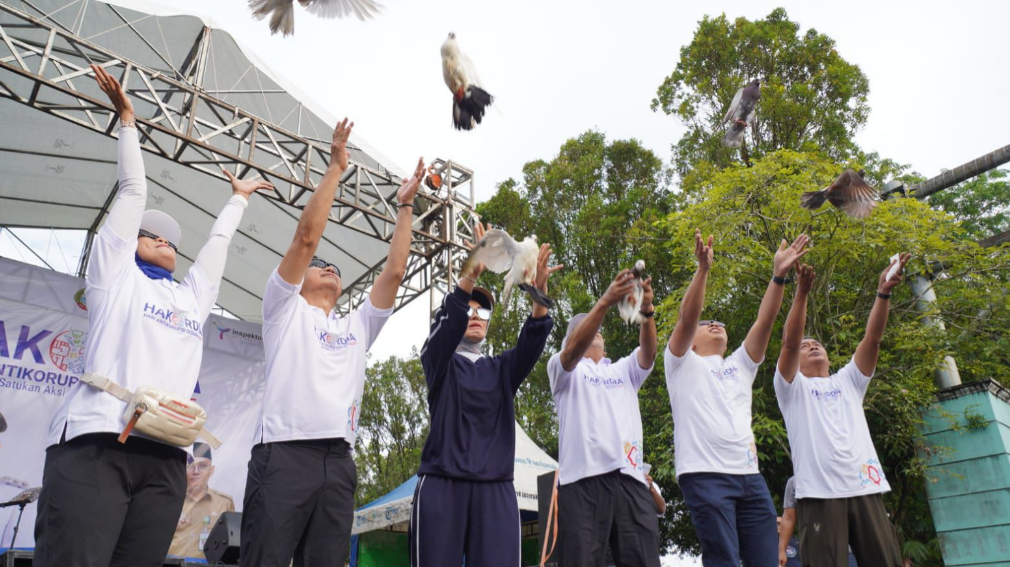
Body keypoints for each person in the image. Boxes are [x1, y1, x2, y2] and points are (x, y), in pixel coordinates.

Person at [33, 64, 265, 567]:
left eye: (171, 240)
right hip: (98, 442)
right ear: (130, 242)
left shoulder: (192, 298)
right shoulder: (113, 277)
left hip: (164, 457)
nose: (164, 240)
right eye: (151, 234)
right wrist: (129, 123)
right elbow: (134, 192)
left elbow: (218, 247)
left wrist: (237, 201)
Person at [239, 116, 425, 567]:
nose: (329, 267)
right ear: (300, 280)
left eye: (336, 268)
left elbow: (395, 273)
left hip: (339, 462)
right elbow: (306, 238)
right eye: (320, 265)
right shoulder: (283, 309)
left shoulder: (356, 326)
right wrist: (336, 168)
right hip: (283, 454)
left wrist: (404, 207)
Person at [408, 222, 558, 567]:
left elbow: (532, 340)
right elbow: (445, 328)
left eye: (484, 310)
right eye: (470, 308)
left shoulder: (500, 368)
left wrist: (538, 295)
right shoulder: (438, 359)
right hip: (442, 485)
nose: (476, 316)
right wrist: (469, 277)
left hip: (496, 490)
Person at [665, 230, 809, 567]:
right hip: (704, 474)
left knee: (765, 560)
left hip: (749, 476)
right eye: (707, 323)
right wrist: (703, 270)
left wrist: (779, 276)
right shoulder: (681, 363)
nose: (714, 323)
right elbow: (687, 318)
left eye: (719, 322)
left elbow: (765, 320)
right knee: (724, 560)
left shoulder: (740, 365)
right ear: (693, 342)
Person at [774, 256, 910, 567]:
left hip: (866, 486)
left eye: (817, 343)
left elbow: (872, 340)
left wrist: (883, 293)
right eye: (807, 345)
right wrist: (802, 294)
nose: (812, 346)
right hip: (819, 494)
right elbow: (790, 344)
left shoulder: (849, 380)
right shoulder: (791, 388)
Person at [548, 270, 660, 567]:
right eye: (584, 327)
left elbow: (648, 354)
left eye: (597, 328)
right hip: (582, 481)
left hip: (630, 480)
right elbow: (573, 352)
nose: (594, 330)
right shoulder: (563, 369)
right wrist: (605, 301)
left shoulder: (622, 369)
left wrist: (646, 311)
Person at [168, 442, 235, 559]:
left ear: (212, 470)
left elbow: (232, 545)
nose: (196, 471)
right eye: (190, 465)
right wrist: (168, 524)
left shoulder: (224, 503)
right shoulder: (168, 499)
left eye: (202, 466)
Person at [778, 476, 857, 567]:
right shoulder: (794, 482)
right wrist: (782, 550)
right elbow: (788, 518)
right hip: (812, 553)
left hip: (846, 551)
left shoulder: (839, 475)